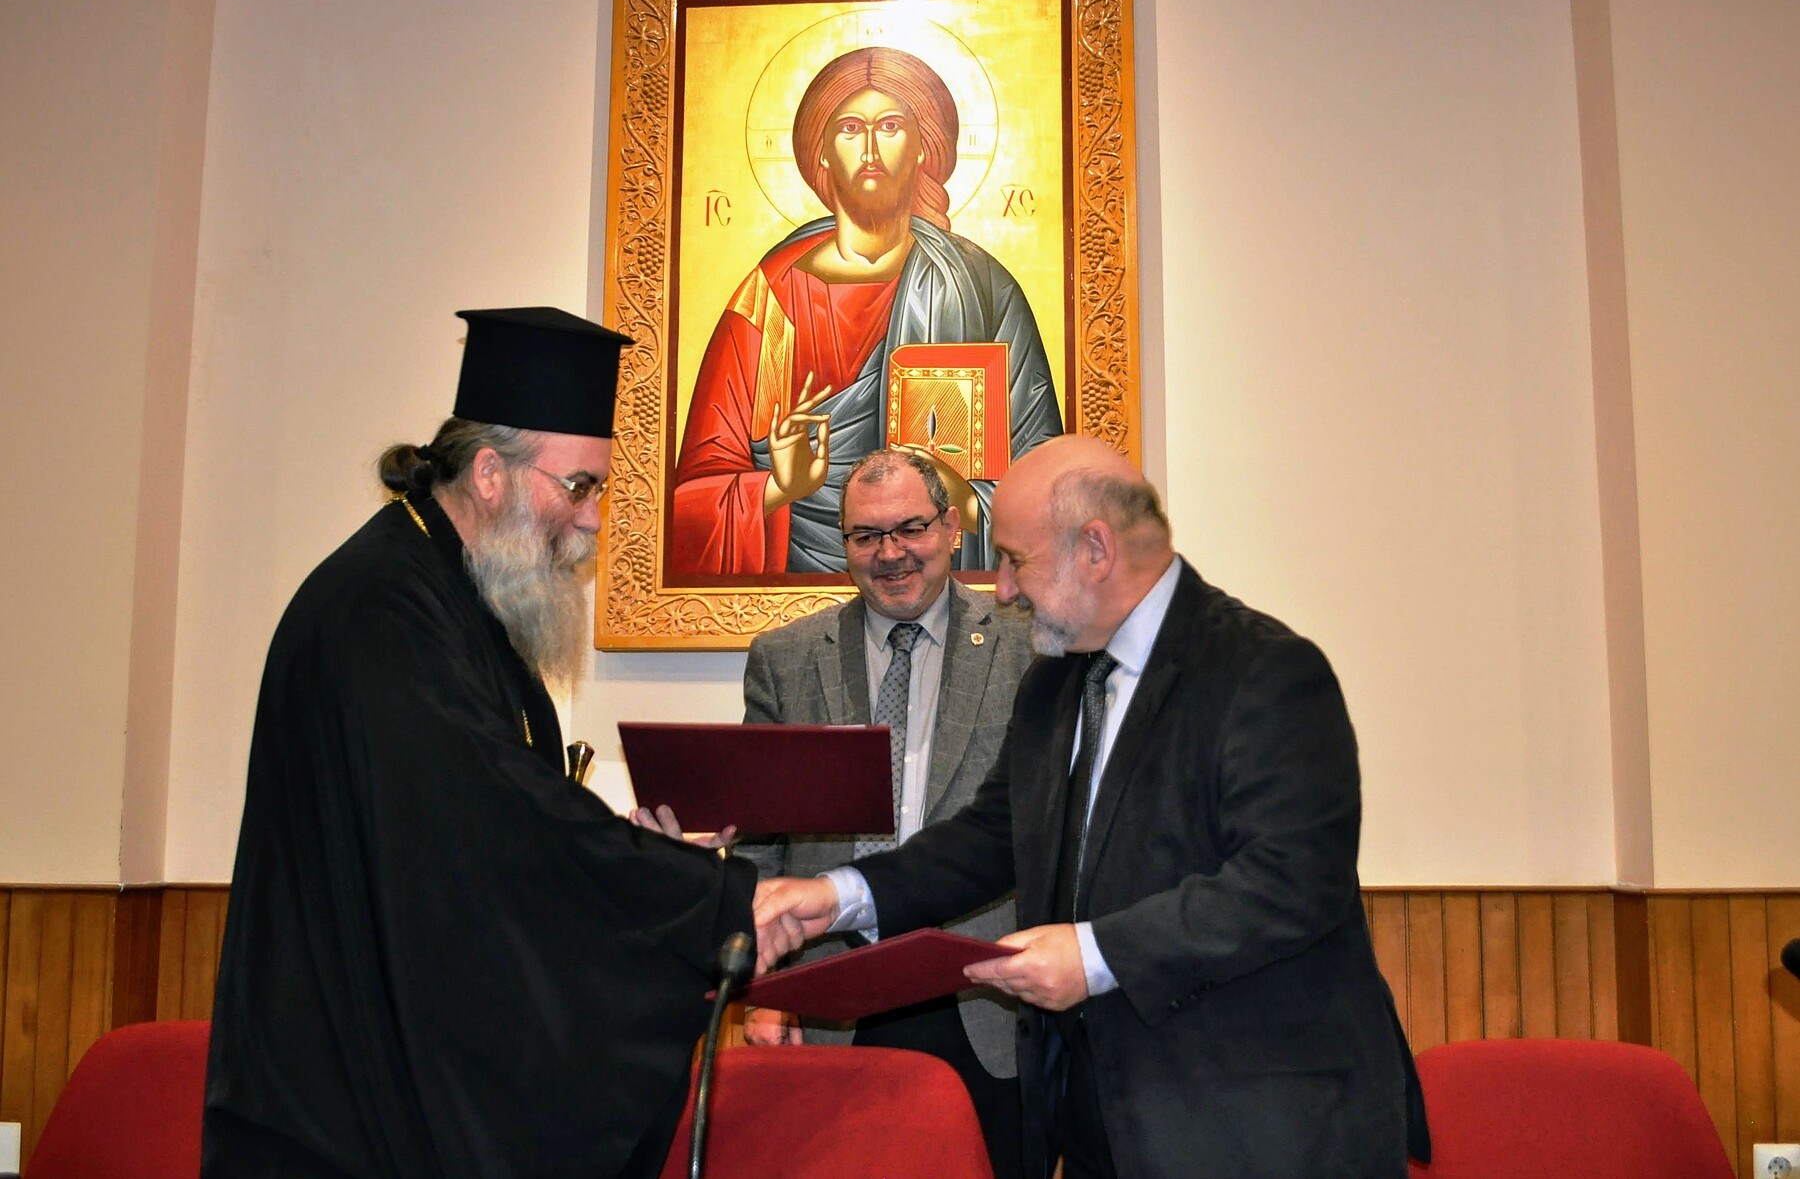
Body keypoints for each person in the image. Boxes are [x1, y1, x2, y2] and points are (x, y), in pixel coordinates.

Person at [754, 435, 1430, 1178]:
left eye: (1016, 560)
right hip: (1105, 1114)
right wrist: (837, 895)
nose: (1002, 591)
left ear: (1096, 550)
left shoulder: (1265, 670)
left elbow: (1290, 884)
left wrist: (1092, 954)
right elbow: (991, 836)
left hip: (1261, 1119)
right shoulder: (1055, 683)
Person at [204, 307, 760, 1178]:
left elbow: (503, 822)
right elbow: (492, 820)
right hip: (337, 1098)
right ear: (491, 472)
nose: (593, 519)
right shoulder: (378, 609)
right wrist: (694, 893)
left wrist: (642, 862)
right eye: (578, 486)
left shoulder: (464, 599)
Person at [741, 448, 1034, 1179]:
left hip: (988, 1000)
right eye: (867, 535)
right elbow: (759, 843)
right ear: (842, 541)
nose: (891, 552)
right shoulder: (784, 659)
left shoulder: (1027, 645)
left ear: (951, 527)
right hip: (831, 999)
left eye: (911, 528)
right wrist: (764, 989)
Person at [668, 44, 1064, 576]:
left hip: (946, 585)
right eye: (851, 129)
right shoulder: (771, 298)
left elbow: (1047, 485)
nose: (871, 148)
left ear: (923, 148)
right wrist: (779, 487)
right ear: (822, 152)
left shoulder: (983, 288)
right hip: (795, 589)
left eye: (891, 126)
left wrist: (962, 503)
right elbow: (689, 503)